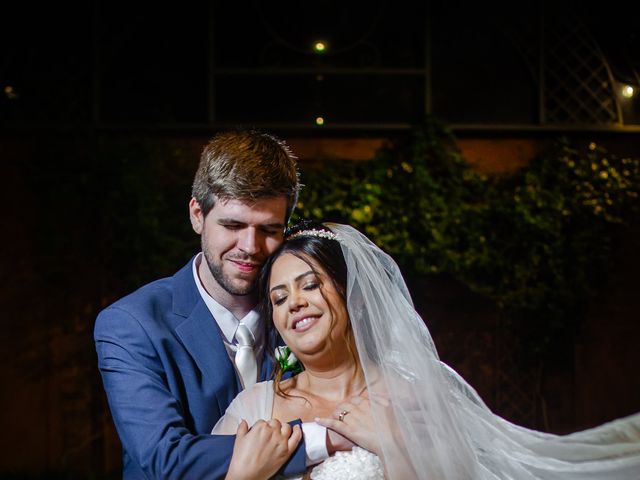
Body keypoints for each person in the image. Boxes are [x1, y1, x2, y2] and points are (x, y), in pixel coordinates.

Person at [213, 220, 640, 479]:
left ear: (349, 295)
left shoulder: (415, 394)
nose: (296, 305)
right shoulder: (254, 408)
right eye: (280, 298)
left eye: (310, 286)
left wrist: (391, 444)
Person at [94, 130, 347, 480]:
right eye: (233, 224)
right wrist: (325, 437)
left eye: (269, 230)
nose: (250, 246)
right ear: (198, 214)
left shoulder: (306, 313)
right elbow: (165, 457)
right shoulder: (131, 324)